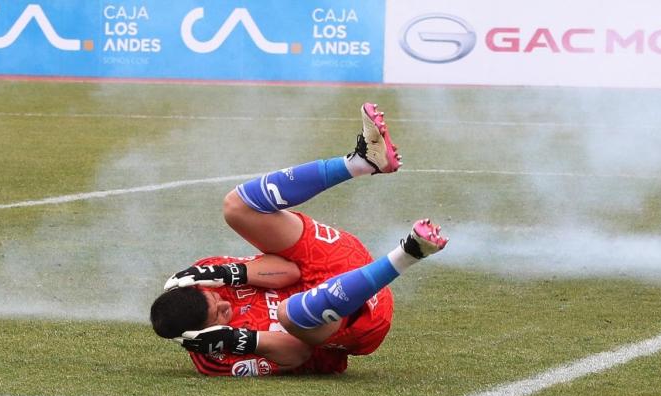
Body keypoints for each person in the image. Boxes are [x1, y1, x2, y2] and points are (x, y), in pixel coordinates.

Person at [149, 103, 448, 376]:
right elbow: (299, 354)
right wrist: (243, 340)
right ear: (196, 336)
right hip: (356, 318)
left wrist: (228, 273)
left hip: (331, 264)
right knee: (289, 313)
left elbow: (287, 272)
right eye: (219, 315)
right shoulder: (214, 359)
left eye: (216, 301)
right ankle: (408, 253)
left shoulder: (203, 279)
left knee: (235, 208)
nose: (224, 305)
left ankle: (360, 162)